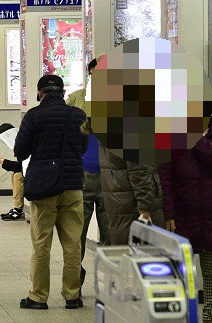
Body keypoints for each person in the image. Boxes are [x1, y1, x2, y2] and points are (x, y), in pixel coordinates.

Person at [12, 74, 88, 310]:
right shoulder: (78, 115)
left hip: (45, 187)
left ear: (39, 93)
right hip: (73, 185)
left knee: (41, 243)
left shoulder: (34, 116)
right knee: (73, 244)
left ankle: (38, 297)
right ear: (63, 93)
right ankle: (72, 295)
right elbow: (83, 148)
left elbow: (20, 150)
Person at [157, 116, 212, 323]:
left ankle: (210, 319)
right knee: (182, 272)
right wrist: (168, 214)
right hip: (183, 215)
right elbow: (166, 179)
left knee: (211, 273)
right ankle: (183, 317)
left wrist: (199, 141)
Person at [65, 58, 110, 291]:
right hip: (83, 173)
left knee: (110, 235)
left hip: (112, 175)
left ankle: (109, 286)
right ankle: (74, 284)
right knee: (76, 233)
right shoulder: (75, 98)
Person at [98, 147, 166, 250]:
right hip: (134, 206)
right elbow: (139, 172)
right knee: (145, 257)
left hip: (117, 202)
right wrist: (145, 207)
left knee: (125, 253)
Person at [0, 123, 25, 221]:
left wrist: (3, 161)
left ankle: (18, 209)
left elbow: (22, 166)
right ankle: (17, 206)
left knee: (18, 176)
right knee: (15, 175)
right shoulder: (21, 143)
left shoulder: (22, 145)